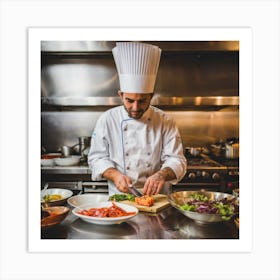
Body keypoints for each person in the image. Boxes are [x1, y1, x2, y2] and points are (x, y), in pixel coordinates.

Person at [88, 42, 187, 196]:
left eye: (142, 101)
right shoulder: (107, 119)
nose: (135, 108)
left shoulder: (165, 120)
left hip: (158, 198)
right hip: (120, 197)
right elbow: (96, 158)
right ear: (121, 95)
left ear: (151, 96)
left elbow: (177, 160)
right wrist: (114, 174)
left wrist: (162, 174)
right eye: (129, 100)